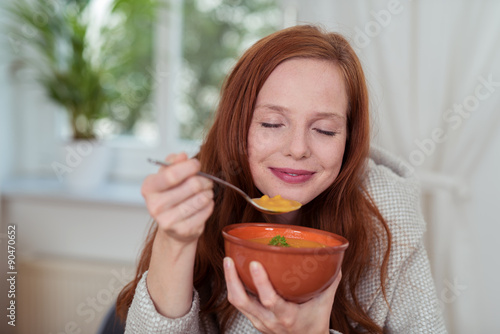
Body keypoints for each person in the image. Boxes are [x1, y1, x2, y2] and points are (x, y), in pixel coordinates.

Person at [116, 25, 447, 333]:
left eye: (324, 130)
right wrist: (176, 240)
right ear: (238, 124)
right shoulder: (198, 198)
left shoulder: (387, 213)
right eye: (272, 123)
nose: (298, 149)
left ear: (349, 137)